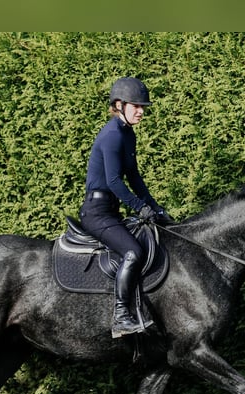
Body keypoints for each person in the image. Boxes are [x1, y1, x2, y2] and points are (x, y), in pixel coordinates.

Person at [79, 77, 174, 338]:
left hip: (110, 211)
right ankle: (121, 316)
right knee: (133, 251)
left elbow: (134, 177)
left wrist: (155, 208)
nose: (141, 111)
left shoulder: (127, 134)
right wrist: (138, 207)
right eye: (136, 106)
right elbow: (112, 180)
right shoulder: (111, 135)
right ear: (119, 105)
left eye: (143, 107)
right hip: (96, 213)